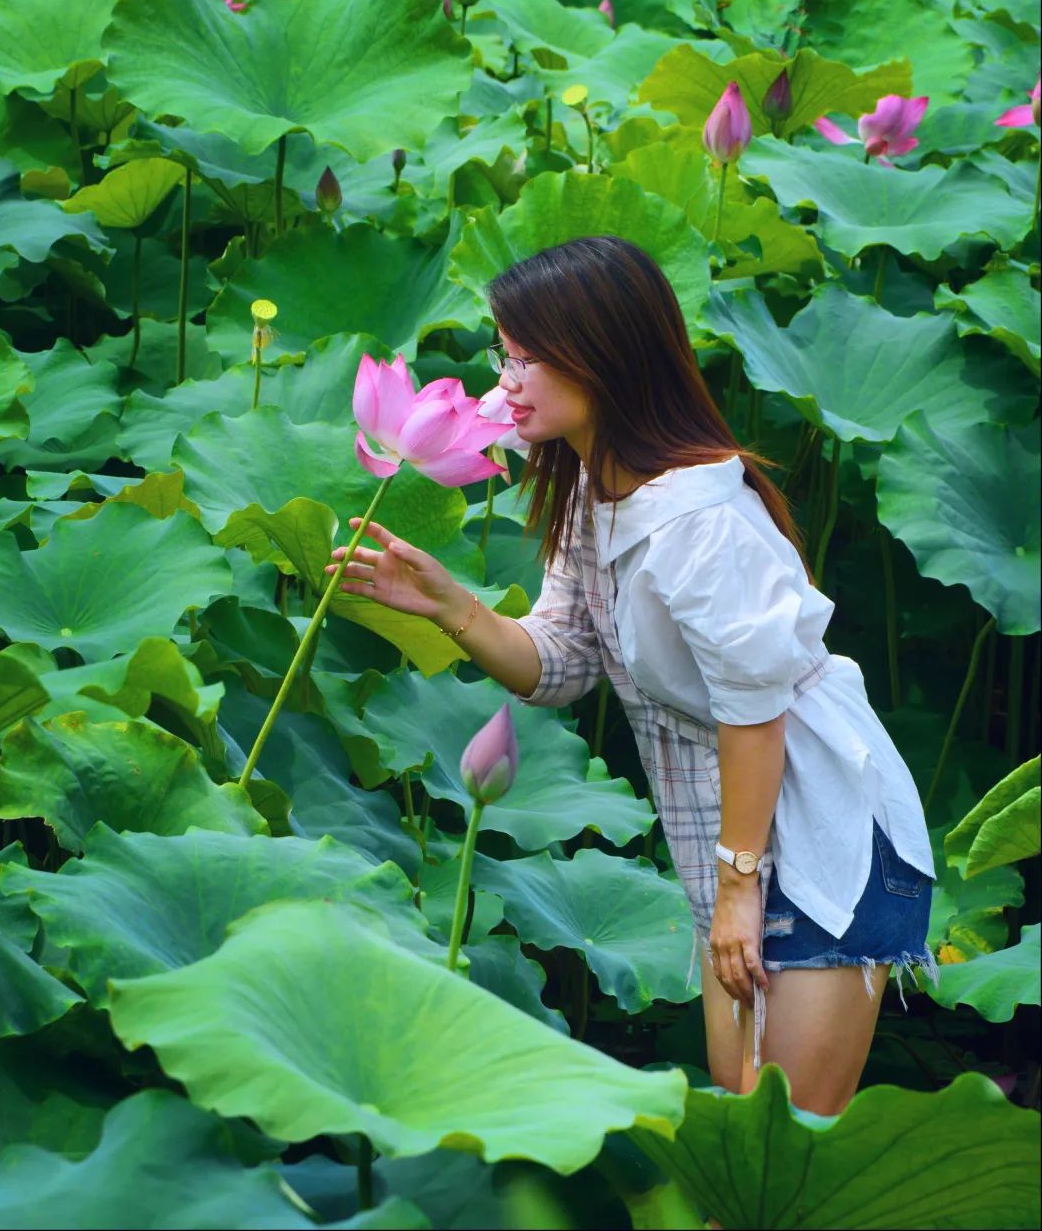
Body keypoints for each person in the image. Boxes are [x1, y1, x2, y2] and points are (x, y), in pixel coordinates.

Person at [326, 236, 937, 1115]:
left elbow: (754, 709)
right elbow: (561, 663)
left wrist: (737, 893)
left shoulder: (701, 522)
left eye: (530, 356)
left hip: (817, 844)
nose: (508, 381)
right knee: (744, 1146)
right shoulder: (594, 491)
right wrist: (450, 605)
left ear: (605, 356)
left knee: (785, 1157)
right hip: (737, 854)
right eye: (506, 353)